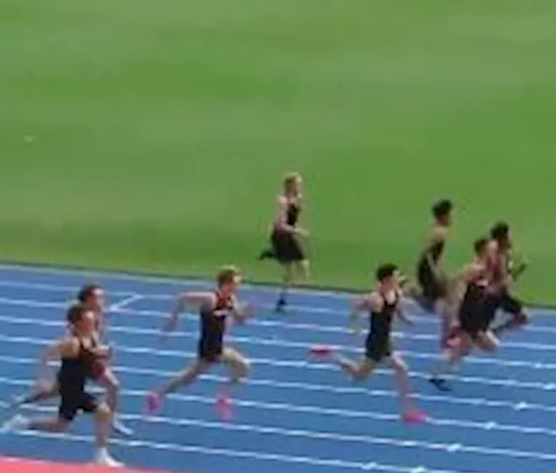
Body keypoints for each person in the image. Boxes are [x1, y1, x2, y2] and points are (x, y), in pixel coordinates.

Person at [2, 302, 121, 467]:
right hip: (71, 387)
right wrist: (43, 376)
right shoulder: (71, 343)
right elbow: (47, 353)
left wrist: (105, 352)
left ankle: (23, 420)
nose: (93, 320)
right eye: (89, 318)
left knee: (63, 424)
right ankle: (23, 421)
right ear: (79, 322)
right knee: (95, 414)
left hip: (77, 384)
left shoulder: (90, 336)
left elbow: (91, 352)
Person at [309, 264, 427, 424]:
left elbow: (398, 311)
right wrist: (354, 325)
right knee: (363, 375)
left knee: (393, 370)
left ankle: (408, 411)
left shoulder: (396, 293)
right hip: (376, 343)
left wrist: (408, 320)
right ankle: (331, 355)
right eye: (395, 276)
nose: (398, 278)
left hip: (386, 341)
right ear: (387, 279)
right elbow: (357, 305)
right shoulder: (375, 299)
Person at [9, 284, 132, 436]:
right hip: (83, 361)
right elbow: (69, 345)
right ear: (88, 300)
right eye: (98, 298)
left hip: (89, 359)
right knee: (63, 397)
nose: (103, 301)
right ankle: (25, 407)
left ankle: (110, 419)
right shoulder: (79, 319)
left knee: (110, 386)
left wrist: (102, 348)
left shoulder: (95, 313)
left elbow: (95, 332)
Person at [147, 266, 252, 421]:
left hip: (220, 346)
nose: (238, 286)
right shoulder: (210, 299)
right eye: (236, 283)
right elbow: (183, 297)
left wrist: (244, 313)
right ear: (226, 283)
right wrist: (173, 319)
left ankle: (223, 396)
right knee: (188, 378)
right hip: (208, 348)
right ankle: (157, 394)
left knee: (243, 367)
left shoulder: (231, 299)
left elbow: (238, 319)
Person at [429, 238, 501, 391]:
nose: (496, 253)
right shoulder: (474, 269)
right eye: (492, 250)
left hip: (476, 314)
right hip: (466, 313)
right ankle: (440, 373)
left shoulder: (487, 271)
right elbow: (459, 290)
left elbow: (488, 291)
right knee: (470, 346)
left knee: (489, 345)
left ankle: (447, 358)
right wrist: (454, 316)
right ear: (483, 252)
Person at [403, 199, 454, 346]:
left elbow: (434, 254)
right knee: (443, 303)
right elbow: (427, 253)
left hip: (428, 269)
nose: (452, 218)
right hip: (427, 270)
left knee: (439, 303)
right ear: (443, 216)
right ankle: (445, 338)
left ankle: (412, 290)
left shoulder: (437, 229)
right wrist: (436, 271)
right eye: (450, 215)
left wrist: (441, 270)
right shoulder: (440, 232)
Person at [258, 172, 309, 313]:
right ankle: (282, 300)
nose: (300, 187)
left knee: (300, 268)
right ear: (290, 186)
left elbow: (294, 219)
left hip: (288, 235)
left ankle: (283, 297)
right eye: (298, 184)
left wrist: (296, 230)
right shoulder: (282, 201)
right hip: (281, 236)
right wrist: (298, 231)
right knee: (295, 268)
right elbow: (280, 224)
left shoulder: (297, 199)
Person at [486, 221, 530, 336]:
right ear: (503, 238)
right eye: (509, 235)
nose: (511, 238)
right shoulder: (499, 256)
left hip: (497, 293)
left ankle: (493, 331)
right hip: (494, 294)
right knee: (524, 316)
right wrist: (520, 269)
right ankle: (493, 332)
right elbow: (504, 282)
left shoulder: (501, 251)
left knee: (523, 316)